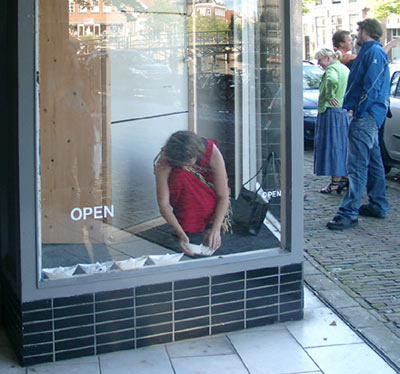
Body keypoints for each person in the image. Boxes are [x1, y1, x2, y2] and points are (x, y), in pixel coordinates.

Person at [327, 19, 390, 230]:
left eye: (358, 30)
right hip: (371, 114)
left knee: (357, 165)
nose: (356, 35)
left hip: (366, 115)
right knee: (373, 161)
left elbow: (370, 85)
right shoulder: (373, 52)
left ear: (366, 31)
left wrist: (358, 109)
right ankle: (378, 204)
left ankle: (349, 212)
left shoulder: (373, 53)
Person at [154, 131, 230, 256]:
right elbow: (163, 204)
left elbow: (223, 196)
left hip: (208, 195)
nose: (184, 167)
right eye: (180, 164)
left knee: (183, 175)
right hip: (183, 198)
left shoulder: (212, 153)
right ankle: (187, 223)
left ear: (196, 155)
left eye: (188, 163)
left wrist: (216, 229)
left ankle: (205, 220)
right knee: (180, 175)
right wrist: (181, 235)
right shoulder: (165, 159)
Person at [314, 47, 350, 194]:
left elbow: (331, 80)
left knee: (332, 146)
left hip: (330, 112)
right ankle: (342, 178)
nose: (318, 63)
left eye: (320, 60)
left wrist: (329, 95)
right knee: (341, 146)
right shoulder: (344, 69)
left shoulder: (331, 70)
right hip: (342, 111)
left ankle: (335, 182)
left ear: (328, 58)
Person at [333, 29, 399, 69]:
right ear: (341, 44)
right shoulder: (344, 57)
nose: (352, 42)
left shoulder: (337, 55)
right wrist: (389, 45)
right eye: (349, 40)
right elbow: (372, 58)